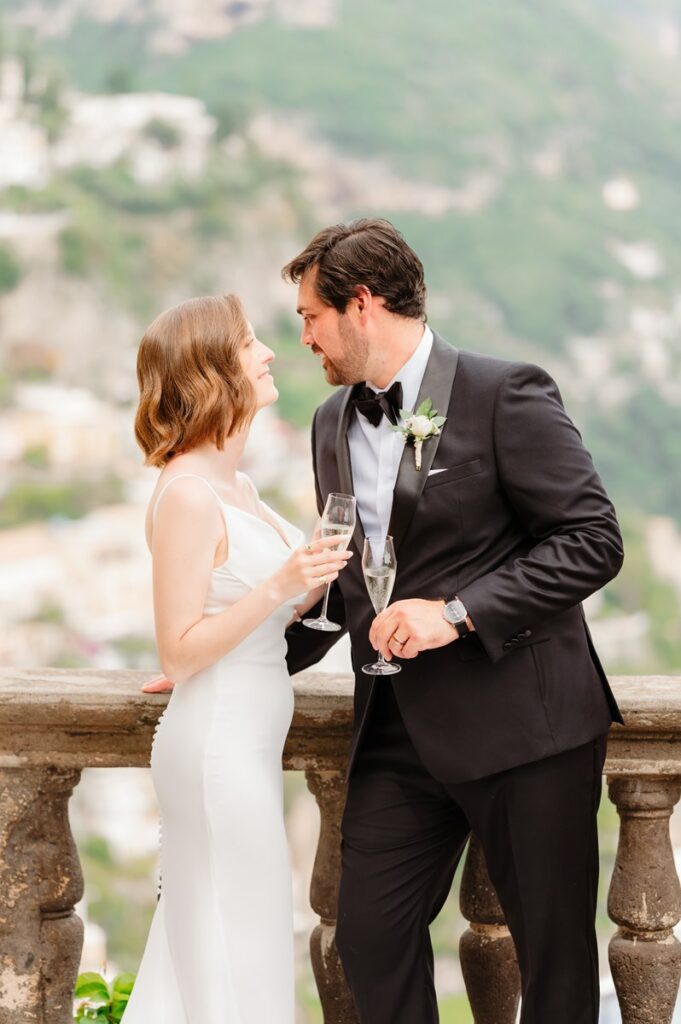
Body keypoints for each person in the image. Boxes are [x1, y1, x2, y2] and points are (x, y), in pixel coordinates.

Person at [283, 218, 625, 1024]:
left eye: (309, 316)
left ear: (361, 305)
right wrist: (235, 655)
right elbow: (349, 583)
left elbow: (592, 540)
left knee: (554, 960)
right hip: (396, 730)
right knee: (365, 937)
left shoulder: (505, 392)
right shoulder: (329, 423)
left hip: (526, 727)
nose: (304, 336)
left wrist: (456, 614)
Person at [123, 294, 352, 1024]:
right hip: (217, 747)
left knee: (233, 944)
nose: (269, 354)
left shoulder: (239, 487)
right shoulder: (188, 493)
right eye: (251, 344)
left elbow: (240, 620)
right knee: (233, 947)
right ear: (213, 370)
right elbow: (179, 650)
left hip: (244, 741)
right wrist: (281, 584)